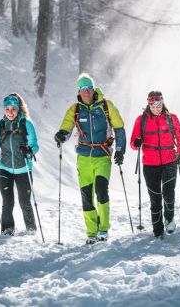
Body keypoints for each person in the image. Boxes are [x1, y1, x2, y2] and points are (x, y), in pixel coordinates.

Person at [54, 73, 126, 245]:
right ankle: (91, 232)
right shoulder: (75, 109)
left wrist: (120, 150)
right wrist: (61, 136)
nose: (85, 91)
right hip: (84, 158)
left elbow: (119, 127)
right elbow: (66, 127)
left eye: (88, 88)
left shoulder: (106, 106)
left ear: (93, 89)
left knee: (101, 190)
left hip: (102, 156)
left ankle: (103, 229)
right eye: (82, 88)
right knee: (86, 196)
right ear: (78, 91)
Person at [130, 91, 180, 239]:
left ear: (162, 103)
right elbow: (133, 143)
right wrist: (136, 142)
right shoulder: (141, 120)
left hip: (169, 161)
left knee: (168, 193)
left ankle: (169, 219)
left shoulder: (171, 118)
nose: (157, 108)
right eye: (153, 105)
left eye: (159, 104)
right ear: (149, 104)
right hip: (150, 164)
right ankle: (158, 229)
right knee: (155, 199)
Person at [0, 93, 39, 235]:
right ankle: (7, 231)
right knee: (7, 202)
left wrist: (28, 150)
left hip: (23, 169)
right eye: (7, 109)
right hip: (5, 169)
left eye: (13, 109)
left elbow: (35, 145)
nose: (10, 112)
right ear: (4, 110)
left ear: (18, 109)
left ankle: (31, 231)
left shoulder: (26, 124)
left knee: (24, 202)